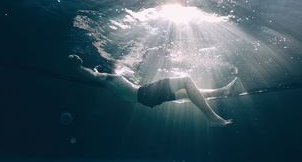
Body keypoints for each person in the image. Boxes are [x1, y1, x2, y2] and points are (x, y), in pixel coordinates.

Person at [69, 54, 237, 127]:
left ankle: (222, 91)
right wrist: (78, 68)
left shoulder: (110, 82)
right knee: (186, 80)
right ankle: (211, 117)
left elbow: (93, 74)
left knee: (188, 92)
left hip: (145, 99)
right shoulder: (108, 77)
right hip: (144, 93)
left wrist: (82, 69)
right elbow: (93, 75)